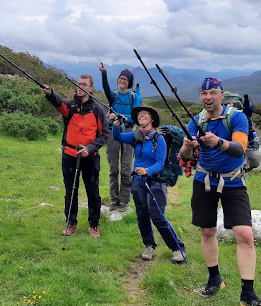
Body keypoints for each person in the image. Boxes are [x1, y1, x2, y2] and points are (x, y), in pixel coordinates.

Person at [179, 77, 261, 306]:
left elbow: (239, 148)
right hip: (204, 180)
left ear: (222, 95)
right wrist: (188, 147)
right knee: (207, 230)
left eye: (212, 92)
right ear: (200, 96)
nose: (208, 97)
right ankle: (214, 280)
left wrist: (219, 142)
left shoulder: (237, 117)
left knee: (244, 234)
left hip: (233, 181)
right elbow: (185, 155)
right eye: (204, 93)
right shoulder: (196, 120)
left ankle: (248, 294)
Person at [113, 106, 187, 263]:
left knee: (157, 216)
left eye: (145, 114)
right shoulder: (136, 136)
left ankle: (178, 249)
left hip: (156, 181)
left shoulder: (159, 138)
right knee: (142, 216)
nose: (141, 116)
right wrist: (116, 126)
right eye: (139, 114)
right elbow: (118, 137)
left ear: (152, 118)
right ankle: (149, 246)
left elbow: (160, 163)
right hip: (138, 182)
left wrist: (147, 170)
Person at [42, 75, 109, 238]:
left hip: (90, 157)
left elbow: (104, 135)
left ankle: (94, 225)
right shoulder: (70, 106)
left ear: (91, 88)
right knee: (70, 190)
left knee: (93, 192)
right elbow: (58, 102)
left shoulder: (98, 110)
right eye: (78, 84)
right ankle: (71, 223)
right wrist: (49, 92)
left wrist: (90, 148)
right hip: (70, 155)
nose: (80, 86)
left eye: (84, 84)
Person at [99, 63, 142, 212]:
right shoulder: (114, 96)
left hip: (129, 134)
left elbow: (136, 117)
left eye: (125, 79)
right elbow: (105, 88)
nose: (122, 81)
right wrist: (104, 73)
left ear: (129, 82)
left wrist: (118, 116)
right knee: (113, 169)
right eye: (120, 78)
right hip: (112, 133)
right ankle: (113, 199)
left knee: (126, 168)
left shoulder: (134, 97)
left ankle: (124, 200)